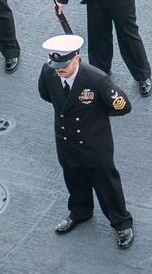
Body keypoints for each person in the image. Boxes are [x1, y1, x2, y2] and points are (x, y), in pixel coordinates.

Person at [38, 34, 135, 249]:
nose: (59, 70)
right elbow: (46, 95)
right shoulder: (49, 72)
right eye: (56, 65)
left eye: (63, 65)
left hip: (94, 145)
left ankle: (121, 222)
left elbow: (122, 106)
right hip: (66, 141)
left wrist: (101, 114)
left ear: (76, 58)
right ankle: (80, 211)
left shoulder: (96, 79)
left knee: (107, 185)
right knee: (74, 180)